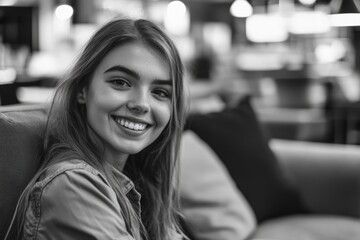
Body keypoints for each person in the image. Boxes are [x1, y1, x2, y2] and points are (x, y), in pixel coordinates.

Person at [5, 17, 186, 240]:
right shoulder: (74, 185)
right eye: (120, 82)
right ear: (83, 89)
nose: (141, 104)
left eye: (160, 92)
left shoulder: (140, 184)